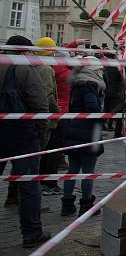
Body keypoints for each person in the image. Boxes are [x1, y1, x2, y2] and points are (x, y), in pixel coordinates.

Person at [0, 35, 51, 248]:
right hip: (21, 136)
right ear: (24, 51)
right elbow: (40, 104)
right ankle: (31, 234)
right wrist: (41, 134)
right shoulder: (24, 69)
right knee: (29, 186)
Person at [61, 58, 105, 216]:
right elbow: (92, 107)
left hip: (74, 128)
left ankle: (67, 203)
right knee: (88, 171)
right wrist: (103, 115)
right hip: (88, 132)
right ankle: (86, 204)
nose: (102, 72)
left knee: (72, 169)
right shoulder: (90, 85)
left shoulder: (77, 83)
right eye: (99, 70)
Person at [33, 37, 60, 196]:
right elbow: (47, 94)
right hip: (45, 117)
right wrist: (56, 112)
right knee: (44, 151)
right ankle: (41, 184)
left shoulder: (32, 64)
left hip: (35, 115)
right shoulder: (45, 68)